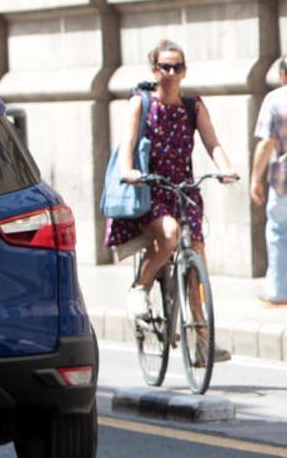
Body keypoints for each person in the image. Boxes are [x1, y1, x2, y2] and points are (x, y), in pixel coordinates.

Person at [107, 39, 240, 363]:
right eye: (164, 66)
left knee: (197, 262)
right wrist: (129, 170)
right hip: (151, 188)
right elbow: (127, 143)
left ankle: (202, 343)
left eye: (176, 67)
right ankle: (140, 288)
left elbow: (213, 142)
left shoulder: (193, 106)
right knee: (169, 234)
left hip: (185, 191)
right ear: (154, 70)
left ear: (184, 71)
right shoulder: (142, 103)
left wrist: (225, 168)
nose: (170, 72)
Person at [250, 54, 287, 307]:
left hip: (283, 179)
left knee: (278, 234)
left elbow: (266, 143)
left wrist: (256, 178)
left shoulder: (274, 99)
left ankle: (278, 292)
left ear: (283, 75)